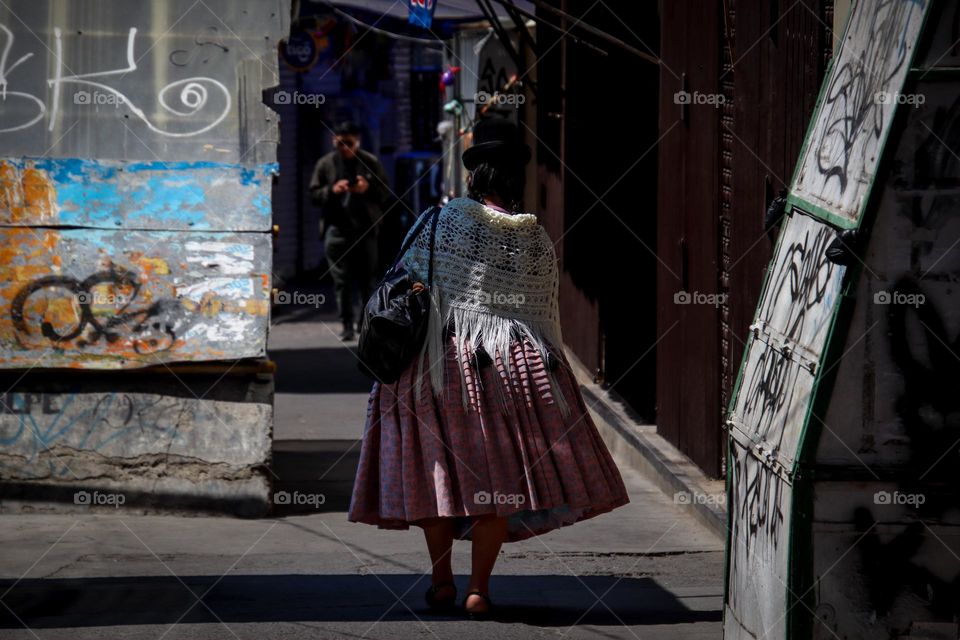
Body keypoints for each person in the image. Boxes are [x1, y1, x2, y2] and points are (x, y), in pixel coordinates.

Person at [347, 117, 630, 619]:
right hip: (510, 370)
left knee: (438, 474)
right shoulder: (532, 236)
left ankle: (441, 583)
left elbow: (407, 280)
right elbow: (542, 314)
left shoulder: (441, 220)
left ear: (473, 174)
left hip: (437, 367)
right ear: (517, 177)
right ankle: (479, 589)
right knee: (496, 483)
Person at [309, 121, 390, 340]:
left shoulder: (370, 162)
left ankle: (364, 324)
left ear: (357, 142)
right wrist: (332, 190)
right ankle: (346, 324)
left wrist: (367, 187)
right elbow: (313, 195)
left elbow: (385, 194)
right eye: (340, 143)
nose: (344, 148)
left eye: (349, 143)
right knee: (341, 281)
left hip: (365, 229)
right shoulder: (326, 164)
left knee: (367, 280)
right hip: (337, 230)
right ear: (333, 141)